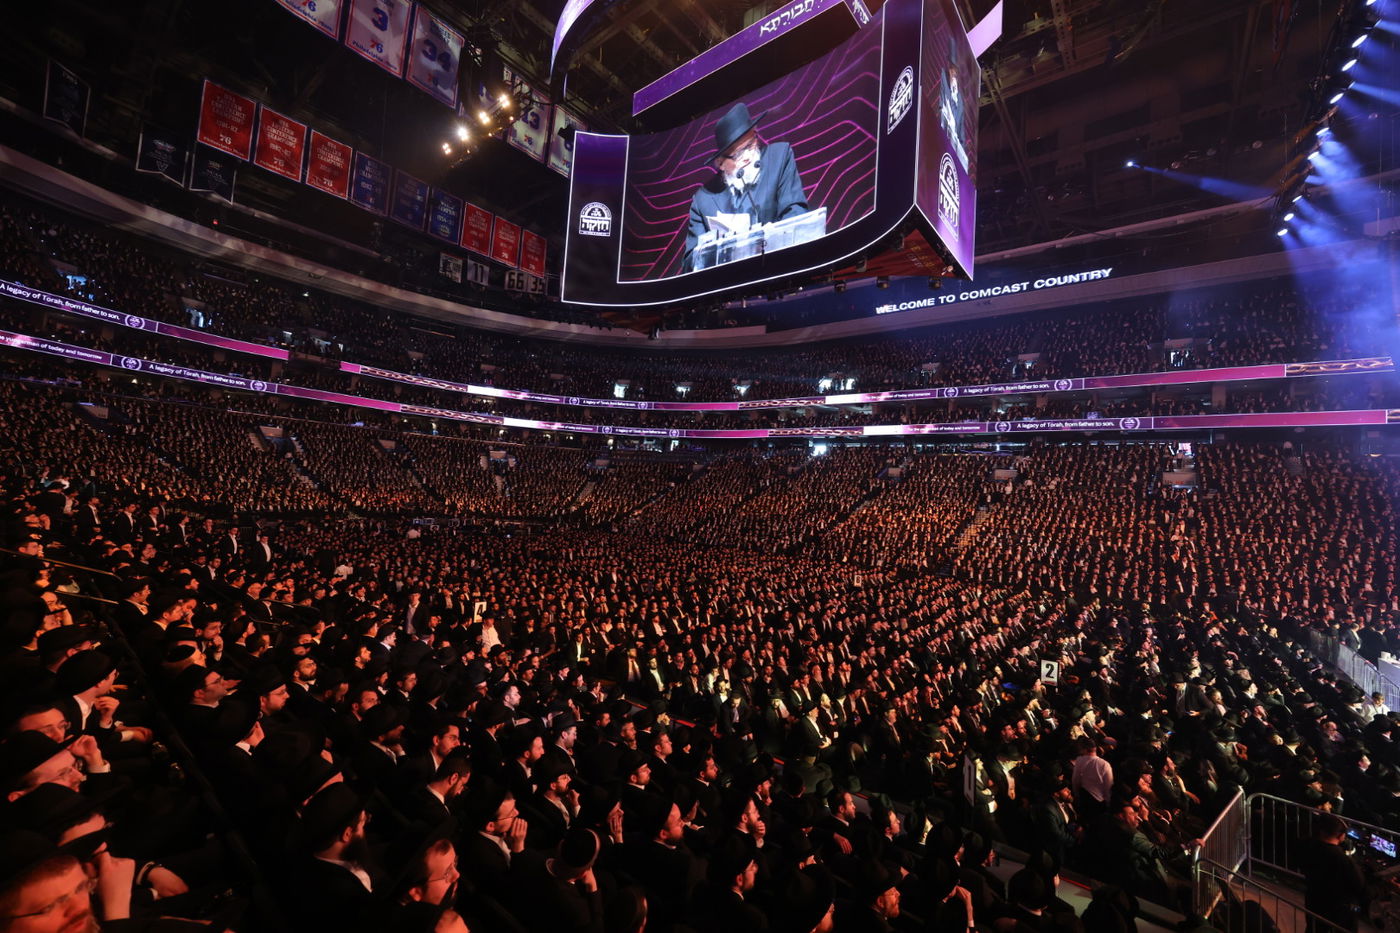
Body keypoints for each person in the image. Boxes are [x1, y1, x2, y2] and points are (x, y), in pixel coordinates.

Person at [682, 102, 809, 272]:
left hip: (779, 271)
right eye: (738, 154)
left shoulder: (779, 157)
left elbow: (796, 214)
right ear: (720, 163)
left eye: (750, 145)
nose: (748, 157)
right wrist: (720, 248)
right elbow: (690, 262)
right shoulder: (703, 200)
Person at [1299, 814, 1367, 932]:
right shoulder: (1342, 859)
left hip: (1313, 900)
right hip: (1338, 910)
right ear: (1341, 836)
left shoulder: (1307, 845)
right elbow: (1360, 887)